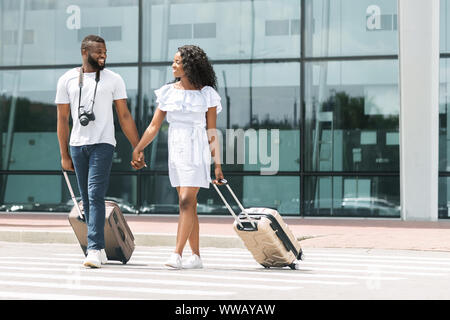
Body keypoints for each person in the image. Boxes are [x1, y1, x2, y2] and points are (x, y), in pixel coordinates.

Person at [132, 45, 224, 269]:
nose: (173, 65)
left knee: (185, 201)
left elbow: (212, 131)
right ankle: (197, 256)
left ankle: (177, 254)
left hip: (197, 148)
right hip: (176, 147)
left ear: (189, 65)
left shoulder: (207, 94)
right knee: (189, 205)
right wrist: (138, 148)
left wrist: (218, 165)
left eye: (177, 62)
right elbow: (154, 126)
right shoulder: (168, 92)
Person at [56, 35, 144, 268]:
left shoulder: (114, 79)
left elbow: (124, 116)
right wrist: (64, 154)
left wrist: (138, 146)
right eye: (99, 52)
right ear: (85, 53)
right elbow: (62, 119)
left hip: (103, 144)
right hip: (77, 145)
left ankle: (93, 248)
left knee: (95, 193)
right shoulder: (66, 79)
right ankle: (98, 248)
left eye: (105, 51)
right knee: (86, 198)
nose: (104, 55)